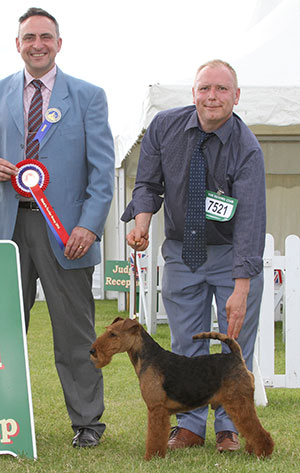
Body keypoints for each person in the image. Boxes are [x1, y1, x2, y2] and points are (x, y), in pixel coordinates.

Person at [122, 59, 266, 452]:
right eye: (205, 88)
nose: (212, 97)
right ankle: (188, 426)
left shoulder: (248, 148)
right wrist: (142, 222)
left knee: (235, 343)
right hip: (182, 253)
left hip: (231, 253)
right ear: (193, 93)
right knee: (185, 343)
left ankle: (229, 428)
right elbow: (147, 184)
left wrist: (241, 287)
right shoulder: (164, 127)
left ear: (236, 96)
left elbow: (251, 220)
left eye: (222, 89)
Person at [0, 8, 115, 448]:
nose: (37, 44)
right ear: (17, 44)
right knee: (4, 331)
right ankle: (5, 420)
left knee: (75, 334)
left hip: (66, 235)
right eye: (29, 37)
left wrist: (88, 225)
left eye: (45, 36)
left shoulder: (88, 96)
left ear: (59, 43)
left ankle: (87, 424)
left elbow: (102, 172)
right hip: (7, 232)